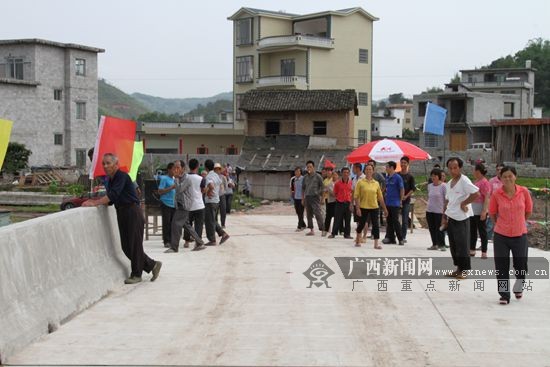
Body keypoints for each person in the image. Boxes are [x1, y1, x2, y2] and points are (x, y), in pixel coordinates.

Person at [82, 153, 161, 284]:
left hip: (132, 211)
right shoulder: (112, 179)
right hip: (122, 212)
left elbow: (113, 195)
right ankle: (152, 265)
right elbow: (111, 199)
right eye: (104, 163)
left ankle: (136, 274)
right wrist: (96, 201)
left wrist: (95, 203)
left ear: (116, 164)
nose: (105, 166)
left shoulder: (121, 176)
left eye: (108, 163)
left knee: (134, 245)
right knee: (126, 247)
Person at [489, 166, 533, 305]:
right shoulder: (497, 194)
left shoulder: (524, 191)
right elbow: (492, 213)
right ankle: (504, 295)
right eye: (504, 177)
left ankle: (519, 287)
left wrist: (520, 222)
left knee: (521, 265)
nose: (507, 179)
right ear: (500, 179)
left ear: (515, 177)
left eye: (510, 176)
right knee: (501, 266)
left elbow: (528, 210)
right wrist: (500, 225)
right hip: (501, 235)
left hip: (520, 234)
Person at [441, 157, 479, 280]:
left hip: (462, 218)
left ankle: (465, 270)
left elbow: (476, 194)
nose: (453, 170)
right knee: (453, 245)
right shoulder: (448, 183)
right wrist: (444, 217)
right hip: (451, 216)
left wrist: (464, 203)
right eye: (450, 168)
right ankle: (458, 268)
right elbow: (447, 200)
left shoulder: (464, 180)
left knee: (463, 245)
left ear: (460, 168)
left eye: (455, 168)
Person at [167, 159, 206, 253]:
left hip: (184, 205)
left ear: (183, 168)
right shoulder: (179, 178)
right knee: (187, 225)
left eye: (177, 167)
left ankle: (174, 247)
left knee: (175, 224)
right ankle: (200, 242)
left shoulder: (187, 178)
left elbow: (180, 189)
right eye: (174, 167)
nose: (175, 169)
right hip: (180, 204)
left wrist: (175, 178)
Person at [354, 164, 388, 248]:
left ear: (373, 171)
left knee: (376, 225)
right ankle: (358, 240)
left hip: (374, 207)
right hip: (363, 207)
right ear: (365, 171)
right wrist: (357, 208)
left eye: (370, 169)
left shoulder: (376, 183)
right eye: (367, 169)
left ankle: (376, 244)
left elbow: (380, 197)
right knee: (361, 224)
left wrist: (385, 209)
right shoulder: (360, 182)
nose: (368, 171)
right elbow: (356, 196)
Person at [204, 160, 230, 246]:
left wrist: (209, 192)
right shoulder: (216, 176)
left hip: (211, 201)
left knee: (210, 221)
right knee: (212, 220)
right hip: (216, 200)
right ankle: (223, 234)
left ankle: (213, 240)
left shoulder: (209, 176)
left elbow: (211, 185)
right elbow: (220, 187)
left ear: (206, 167)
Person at [470, 163, 491, 258]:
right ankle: (472, 249)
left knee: (482, 231)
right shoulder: (476, 181)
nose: (473, 172)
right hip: (473, 209)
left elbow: (487, 197)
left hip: (480, 209)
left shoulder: (484, 182)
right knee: (472, 231)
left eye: (474, 170)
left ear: (478, 171)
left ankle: (484, 251)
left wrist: (484, 210)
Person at [382, 161, 405, 246]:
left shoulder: (398, 177)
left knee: (396, 221)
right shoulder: (387, 177)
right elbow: (386, 188)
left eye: (387, 167)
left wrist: (401, 200)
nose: (386, 169)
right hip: (388, 203)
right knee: (389, 221)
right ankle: (390, 238)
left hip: (395, 203)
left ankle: (401, 238)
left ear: (392, 168)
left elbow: (402, 189)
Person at [426, 168, 447, 251]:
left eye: (435, 176)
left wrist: (445, 212)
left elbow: (446, 199)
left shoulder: (443, 186)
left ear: (438, 176)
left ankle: (442, 244)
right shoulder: (429, 186)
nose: (433, 177)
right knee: (432, 228)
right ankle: (434, 244)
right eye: (432, 176)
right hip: (430, 210)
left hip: (439, 211)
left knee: (440, 229)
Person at [302, 160, 324, 236]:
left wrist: (321, 196)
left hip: (315, 197)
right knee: (309, 214)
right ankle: (311, 230)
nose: (309, 168)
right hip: (307, 197)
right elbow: (303, 188)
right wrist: (303, 198)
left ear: (313, 167)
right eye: (308, 167)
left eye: (310, 167)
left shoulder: (318, 176)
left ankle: (322, 229)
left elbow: (322, 187)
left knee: (318, 213)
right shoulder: (305, 177)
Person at [157, 162, 176, 248]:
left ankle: (172, 240)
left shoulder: (175, 179)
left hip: (173, 204)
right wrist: (171, 188)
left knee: (173, 223)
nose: (175, 170)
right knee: (166, 223)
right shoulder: (164, 179)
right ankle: (166, 241)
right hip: (165, 203)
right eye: (173, 169)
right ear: (169, 170)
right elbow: (160, 191)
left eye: (176, 169)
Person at [330, 167, 353, 239]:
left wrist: (351, 203)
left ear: (349, 174)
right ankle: (333, 233)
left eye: (347, 172)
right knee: (337, 219)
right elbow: (334, 193)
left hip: (348, 203)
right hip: (339, 203)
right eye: (344, 172)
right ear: (342, 174)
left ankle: (347, 234)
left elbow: (353, 192)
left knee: (348, 219)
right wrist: (339, 197)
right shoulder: (337, 183)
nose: (346, 174)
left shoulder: (351, 183)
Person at [399, 156, 416, 242]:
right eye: (402, 162)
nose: (403, 164)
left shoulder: (410, 177)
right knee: (396, 219)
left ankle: (403, 236)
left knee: (405, 219)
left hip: (406, 201)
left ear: (408, 164)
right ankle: (397, 235)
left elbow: (413, 189)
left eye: (405, 163)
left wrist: (406, 196)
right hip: (397, 201)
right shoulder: (397, 175)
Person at [486, 163, 504, 242]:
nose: (499, 171)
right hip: (493, 207)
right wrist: (487, 208)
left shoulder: (506, 180)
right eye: (498, 170)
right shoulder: (492, 181)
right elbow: (488, 195)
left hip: (504, 208)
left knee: (503, 225)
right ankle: (486, 243)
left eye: (501, 170)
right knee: (490, 225)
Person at [368, 159, 386, 228]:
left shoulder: (378, 174)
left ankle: (375, 231)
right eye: (369, 165)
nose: (370, 166)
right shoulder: (365, 175)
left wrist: (381, 192)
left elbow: (384, 182)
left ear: (374, 166)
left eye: (372, 165)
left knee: (376, 215)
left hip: (376, 198)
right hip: (367, 198)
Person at [291, 167, 307, 231]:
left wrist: (304, 198)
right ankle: (303, 224)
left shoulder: (303, 179)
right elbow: (292, 188)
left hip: (302, 198)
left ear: (300, 172)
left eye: (298, 171)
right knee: (298, 212)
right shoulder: (294, 179)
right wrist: (293, 196)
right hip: (296, 198)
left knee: (301, 212)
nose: (296, 172)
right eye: (295, 171)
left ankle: (299, 226)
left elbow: (305, 189)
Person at [323, 169, 338, 236]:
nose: (335, 176)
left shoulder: (340, 183)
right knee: (328, 216)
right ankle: (326, 230)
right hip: (330, 201)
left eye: (336, 175)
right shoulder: (328, 183)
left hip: (338, 202)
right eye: (333, 175)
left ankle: (338, 230)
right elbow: (325, 191)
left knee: (337, 216)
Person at [215, 164, 228, 228]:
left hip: (222, 195)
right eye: (216, 169)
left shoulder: (223, 177)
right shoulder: (213, 177)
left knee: (223, 210)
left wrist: (223, 192)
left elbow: (226, 186)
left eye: (219, 169)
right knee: (215, 211)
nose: (218, 170)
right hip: (215, 196)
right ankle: (216, 224)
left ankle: (223, 224)